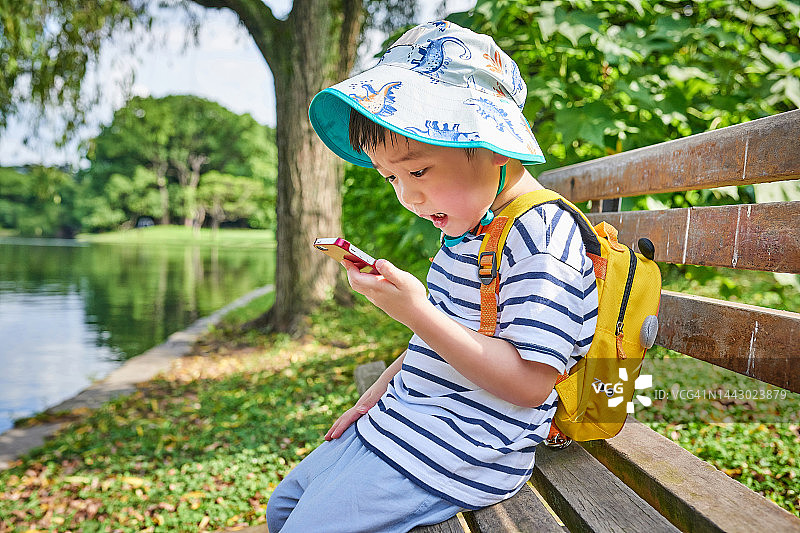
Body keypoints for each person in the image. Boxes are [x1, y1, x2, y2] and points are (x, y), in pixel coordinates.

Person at [266, 21, 598, 533]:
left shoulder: (543, 236)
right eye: (391, 178)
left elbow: (531, 385)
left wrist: (414, 310)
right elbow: (443, 336)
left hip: (471, 445)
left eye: (417, 172)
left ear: (495, 146)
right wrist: (372, 397)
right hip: (410, 418)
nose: (407, 197)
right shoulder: (468, 230)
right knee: (283, 510)